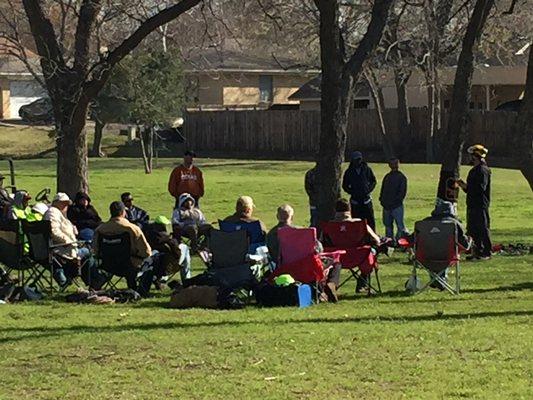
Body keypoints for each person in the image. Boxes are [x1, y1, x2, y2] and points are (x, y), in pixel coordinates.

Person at [45, 193, 103, 288]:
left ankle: (91, 281)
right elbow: (54, 231)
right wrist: (68, 241)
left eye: (67, 204)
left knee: (86, 253)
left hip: (64, 248)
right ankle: (95, 280)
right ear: (57, 203)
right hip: (62, 250)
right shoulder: (53, 212)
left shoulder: (59, 213)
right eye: (64, 203)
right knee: (88, 252)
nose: (66, 206)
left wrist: (72, 228)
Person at [93, 201, 152, 290]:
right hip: (129, 264)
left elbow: (95, 250)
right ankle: (142, 289)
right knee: (152, 261)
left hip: (107, 265)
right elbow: (146, 252)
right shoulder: (132, 228)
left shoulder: (100, 229)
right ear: (123, 212)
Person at [421, 201, 472, 289]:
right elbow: (465, 245)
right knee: (447, 250)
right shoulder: (455, 224)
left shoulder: (423, 223)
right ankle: (440, 279)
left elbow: (412, 239)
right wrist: (469, 240)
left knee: (434, 249)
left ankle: (436, 278)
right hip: (448, 256)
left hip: (424, 256)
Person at [457, 144, 492, 260]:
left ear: (475, 156)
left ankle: (485, 252)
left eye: (471, 156)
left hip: (480, 204)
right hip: (472, 203)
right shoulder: (474, 171)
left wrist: (469, 187)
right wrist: (463, 186)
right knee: (473, 228)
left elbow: (480, 188)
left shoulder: (483, 170)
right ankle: (476, 251)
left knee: (482, 227)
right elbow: (470, 189)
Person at [342, 151, 377, 230]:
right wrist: (353, 192)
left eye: (359, 159)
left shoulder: (367, 169)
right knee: (356, 221)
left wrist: (368, 190)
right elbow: (345, 185)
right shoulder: (349, 171)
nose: (358, 161)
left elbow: (373, 181)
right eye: (356, 160)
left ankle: (372, 238)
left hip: (366, 200)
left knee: (370, 221)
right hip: (355, 201)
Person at [379, 158, 408, 241]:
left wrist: (395, 202)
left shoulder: (401, 177)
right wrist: (382, 200)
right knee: (387, 225)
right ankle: (389, 241)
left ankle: (401, 242)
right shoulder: (387, 177)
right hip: (386, 205)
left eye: (395, 163)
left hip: (396, 206)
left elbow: (402, 192)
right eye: (392, 163)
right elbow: (383, 189)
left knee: (400, 226)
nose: (394, 165)